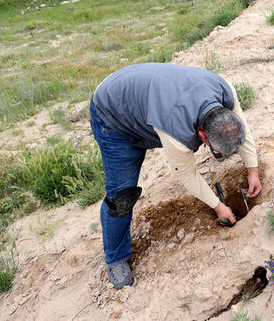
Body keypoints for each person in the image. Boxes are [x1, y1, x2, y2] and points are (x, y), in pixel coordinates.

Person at [89, 63, 261, 289]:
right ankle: (116, 259)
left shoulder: (224, 91)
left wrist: (253, 171)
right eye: (216, 150)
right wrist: (218, 206)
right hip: (113, 112)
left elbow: (242, 130)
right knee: (122, 194)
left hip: (145, 96)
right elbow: (187, 175)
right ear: (202, 135)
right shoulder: (174, 128)